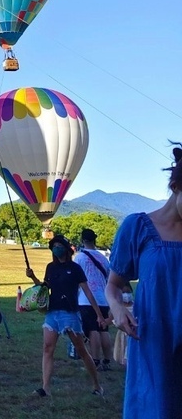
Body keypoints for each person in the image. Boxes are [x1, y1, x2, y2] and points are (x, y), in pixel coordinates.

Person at [106, 143, 182, 419]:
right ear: (176, 185)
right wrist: (116, 309)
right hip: (152, 342)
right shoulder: (137, 227)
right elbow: (113, 284)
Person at [26, 234, 107, 397]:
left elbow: (87, 292)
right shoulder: (51, 267)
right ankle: (45, 388)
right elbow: (45, 287)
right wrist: (32, 276)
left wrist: (99, 314)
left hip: (70, 314)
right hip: (52, 313)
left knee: (81, 350)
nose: (56, 248)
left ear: (66, 249)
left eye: (59, 245)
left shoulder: (75, 268)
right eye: (54, 246)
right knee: (48, 348)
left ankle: (97, 385)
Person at [73, 228, 113, 371]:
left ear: (83, 240)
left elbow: (76, 279)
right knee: (104, 329)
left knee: (92, 330)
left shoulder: (79, 257)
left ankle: (94, 361)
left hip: (86, 299)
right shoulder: (103, 258)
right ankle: (107, 360)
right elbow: (109, 278)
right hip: (103, 298)